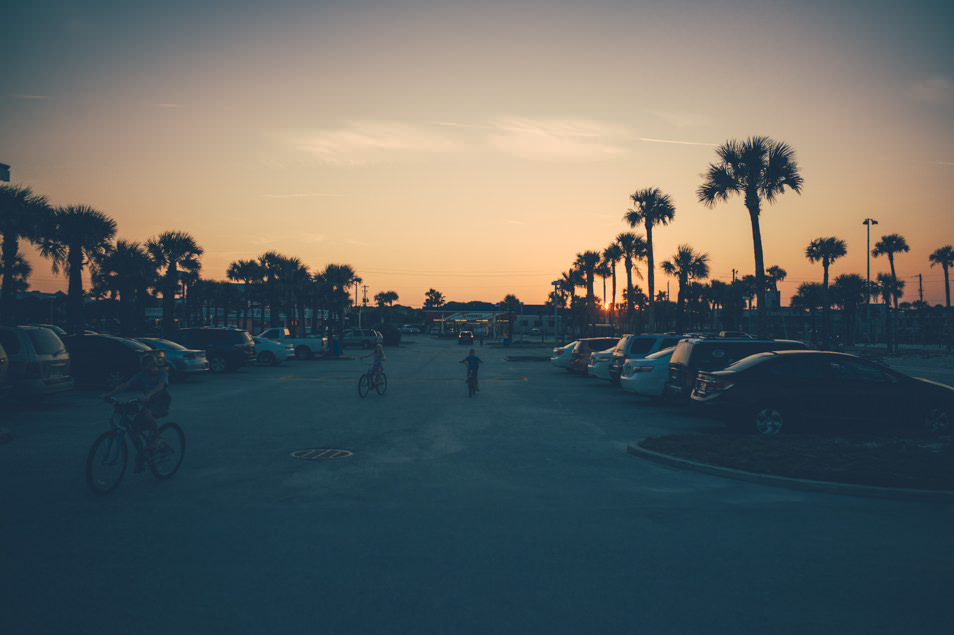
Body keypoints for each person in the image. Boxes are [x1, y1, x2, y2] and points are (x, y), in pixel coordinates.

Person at [101, 355, 171, 472]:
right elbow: (126, 385)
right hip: (147, 402)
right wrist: (110, 394)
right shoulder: (142, 375)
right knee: (133, 430)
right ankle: (142, 455)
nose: (152, 369)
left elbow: (161, 385)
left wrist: (149, 394)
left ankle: (158, 437)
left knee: (148, 414)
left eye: (153, 366)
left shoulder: (162, 373)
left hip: (162, 402)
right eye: (148, 367)